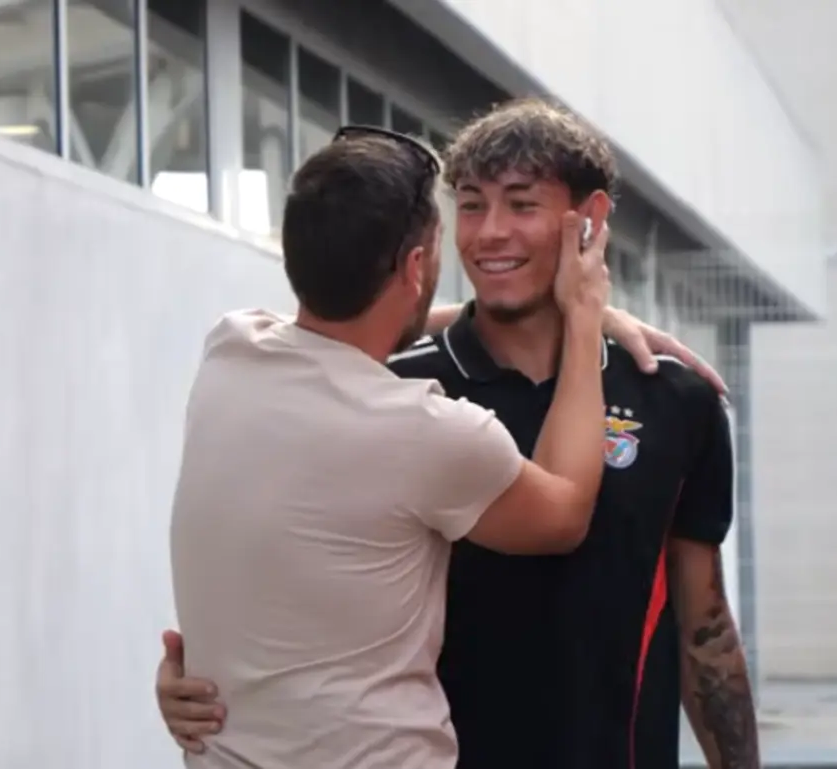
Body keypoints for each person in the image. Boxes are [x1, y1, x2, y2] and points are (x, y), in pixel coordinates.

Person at [158, 100, 759, 769]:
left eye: (521, 205)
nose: (489, 233)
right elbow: (283, 562)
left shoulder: (677, 398)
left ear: (588, 220)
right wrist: (206, 683)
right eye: (471, 206)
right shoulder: (400, 396)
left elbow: (704, 624)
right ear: (421, 260)